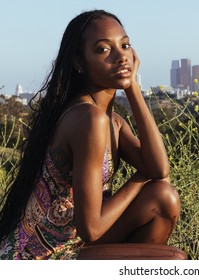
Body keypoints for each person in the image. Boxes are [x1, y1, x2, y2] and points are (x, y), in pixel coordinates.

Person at [0, 9, 181, 260]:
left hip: (73, 243)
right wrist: (139, 179)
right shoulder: (88, 119)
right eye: (103, 49)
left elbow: (160, 171)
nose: (120, 56)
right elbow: (92, 229)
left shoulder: (111, 121)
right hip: (40, 256)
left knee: (164, 198)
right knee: (172, 259)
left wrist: (133, 88)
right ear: (79, 63)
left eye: (125, 45)